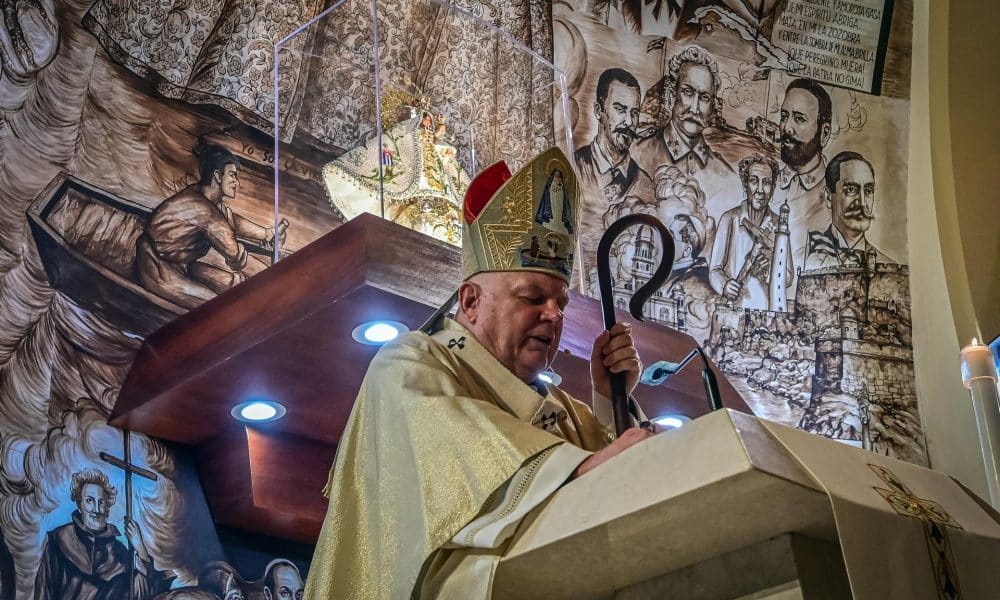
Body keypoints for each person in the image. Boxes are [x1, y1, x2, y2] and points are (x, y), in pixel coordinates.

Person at [305, 147, 657, 599]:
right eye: (532, 297)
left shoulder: (565, 413)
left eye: (561, 303)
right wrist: (585, 468)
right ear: (470, 302)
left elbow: (633, 495)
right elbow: (469, 464)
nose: (553, 314)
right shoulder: (410, 365)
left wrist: (610, 401)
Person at [136, 145, 286, 309]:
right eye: (232, 175)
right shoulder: (203, 210)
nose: (237, 182)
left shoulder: (205, 198)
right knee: (222, 306)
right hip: (157, 268)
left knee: (237, 283)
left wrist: (265, 234)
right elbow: (234, 254)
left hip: (186, 262)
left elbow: (232, 221)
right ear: (217, 176)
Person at [34, 468, 171, 600]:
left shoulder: (119, 553)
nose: (97, 509)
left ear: (107, 507)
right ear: (79, 504)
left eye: (101, 502)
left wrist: (140, 547)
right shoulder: (58, 541)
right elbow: (44, 592)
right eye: (89, 500)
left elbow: (146, 593)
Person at [631, 45, 736, 215]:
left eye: (704, 98)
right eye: (688, 92)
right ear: (673, 95)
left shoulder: (727, 177)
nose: (694, 108)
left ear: (711, 107)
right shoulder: (637, 153)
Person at [710, 154, 792, 309]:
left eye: (767, 183)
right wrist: (725, 285)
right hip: (735, 308)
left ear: (773, 188)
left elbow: (788, 276)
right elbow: (714, 270)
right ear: (745, 184)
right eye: (754, 181)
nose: (760, 190)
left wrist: (770, 269)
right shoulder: (730, 219)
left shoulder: (779, 226)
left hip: (767, 310)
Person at [772, 78, 833, 264]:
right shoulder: (765, 182)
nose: (786, 127)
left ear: (824, 133)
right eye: (784, 116)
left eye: (799, 119)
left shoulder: (835, 196)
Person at [574, 68, 654, 205]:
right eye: (620, 109)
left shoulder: (646, 187)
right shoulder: (573, 167)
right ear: (599, 111)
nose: (629, 122)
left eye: (634, 113)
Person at [804, 151, 894, 270]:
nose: (862, 203)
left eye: (868, 191)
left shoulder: (887, 268)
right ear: (829, 197)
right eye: (851, 189)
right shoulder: (807, 257)